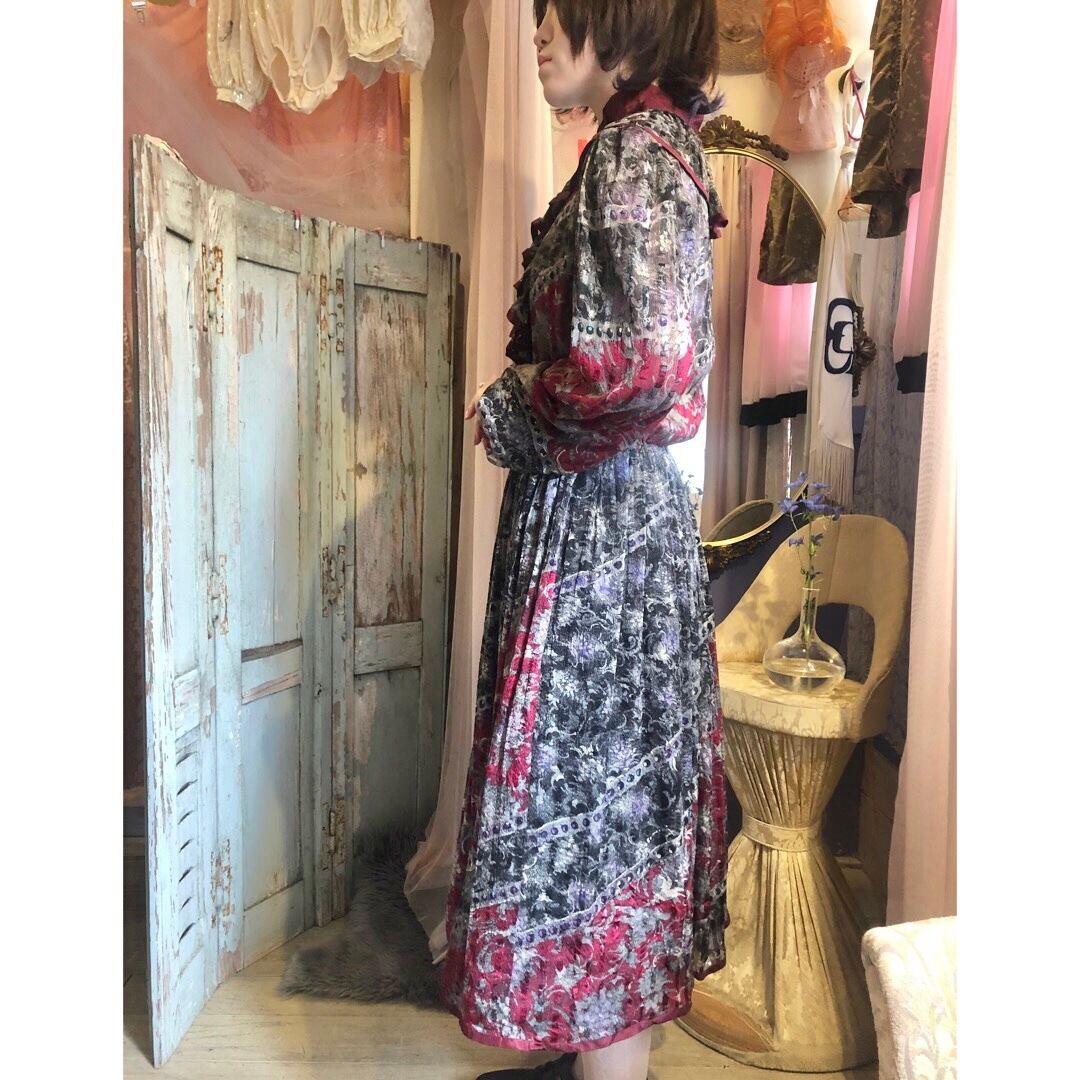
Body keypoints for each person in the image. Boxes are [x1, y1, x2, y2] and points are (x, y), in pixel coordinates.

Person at [440, 4, 730, 1079]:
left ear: (626, 17)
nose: (540, 28)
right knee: (602, 831)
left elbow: (644, 367)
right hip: (613, 531)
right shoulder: (648, 148)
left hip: (600, 549)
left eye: (560, 9)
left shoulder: (632, 155)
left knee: (596, 832)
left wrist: (514, 408)